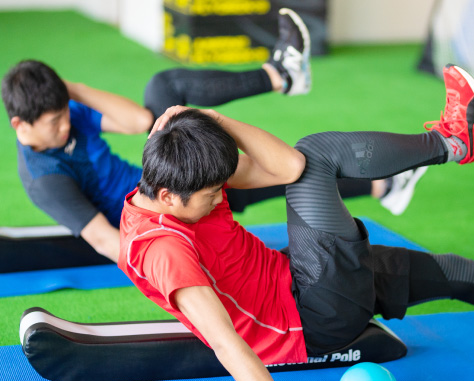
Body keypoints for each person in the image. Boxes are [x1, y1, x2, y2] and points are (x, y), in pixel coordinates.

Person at [118, 62, 474, 381]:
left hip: (305, 277)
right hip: (311, 315)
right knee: (320, 155)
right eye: (211, 196)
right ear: (168, 197)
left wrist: (212, 120)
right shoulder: (162, 249)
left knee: (453, 273)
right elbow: (226, 343)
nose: (218, 199)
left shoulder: (183, 172)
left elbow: (286, 167)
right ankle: (455, 142)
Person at [0, 9, 424, 265]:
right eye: (52, 122)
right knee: (174, 97)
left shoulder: (67, 116)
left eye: (64, 113)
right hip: (158, 210)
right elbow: (106, 240)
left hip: (161, 180)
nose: (64, 126)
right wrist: (172, 264)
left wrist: (68, 88)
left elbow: (136, 121)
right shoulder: (46, 179)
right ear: (20, 125)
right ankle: (283, 75)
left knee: (282, 172)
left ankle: (383, 184)